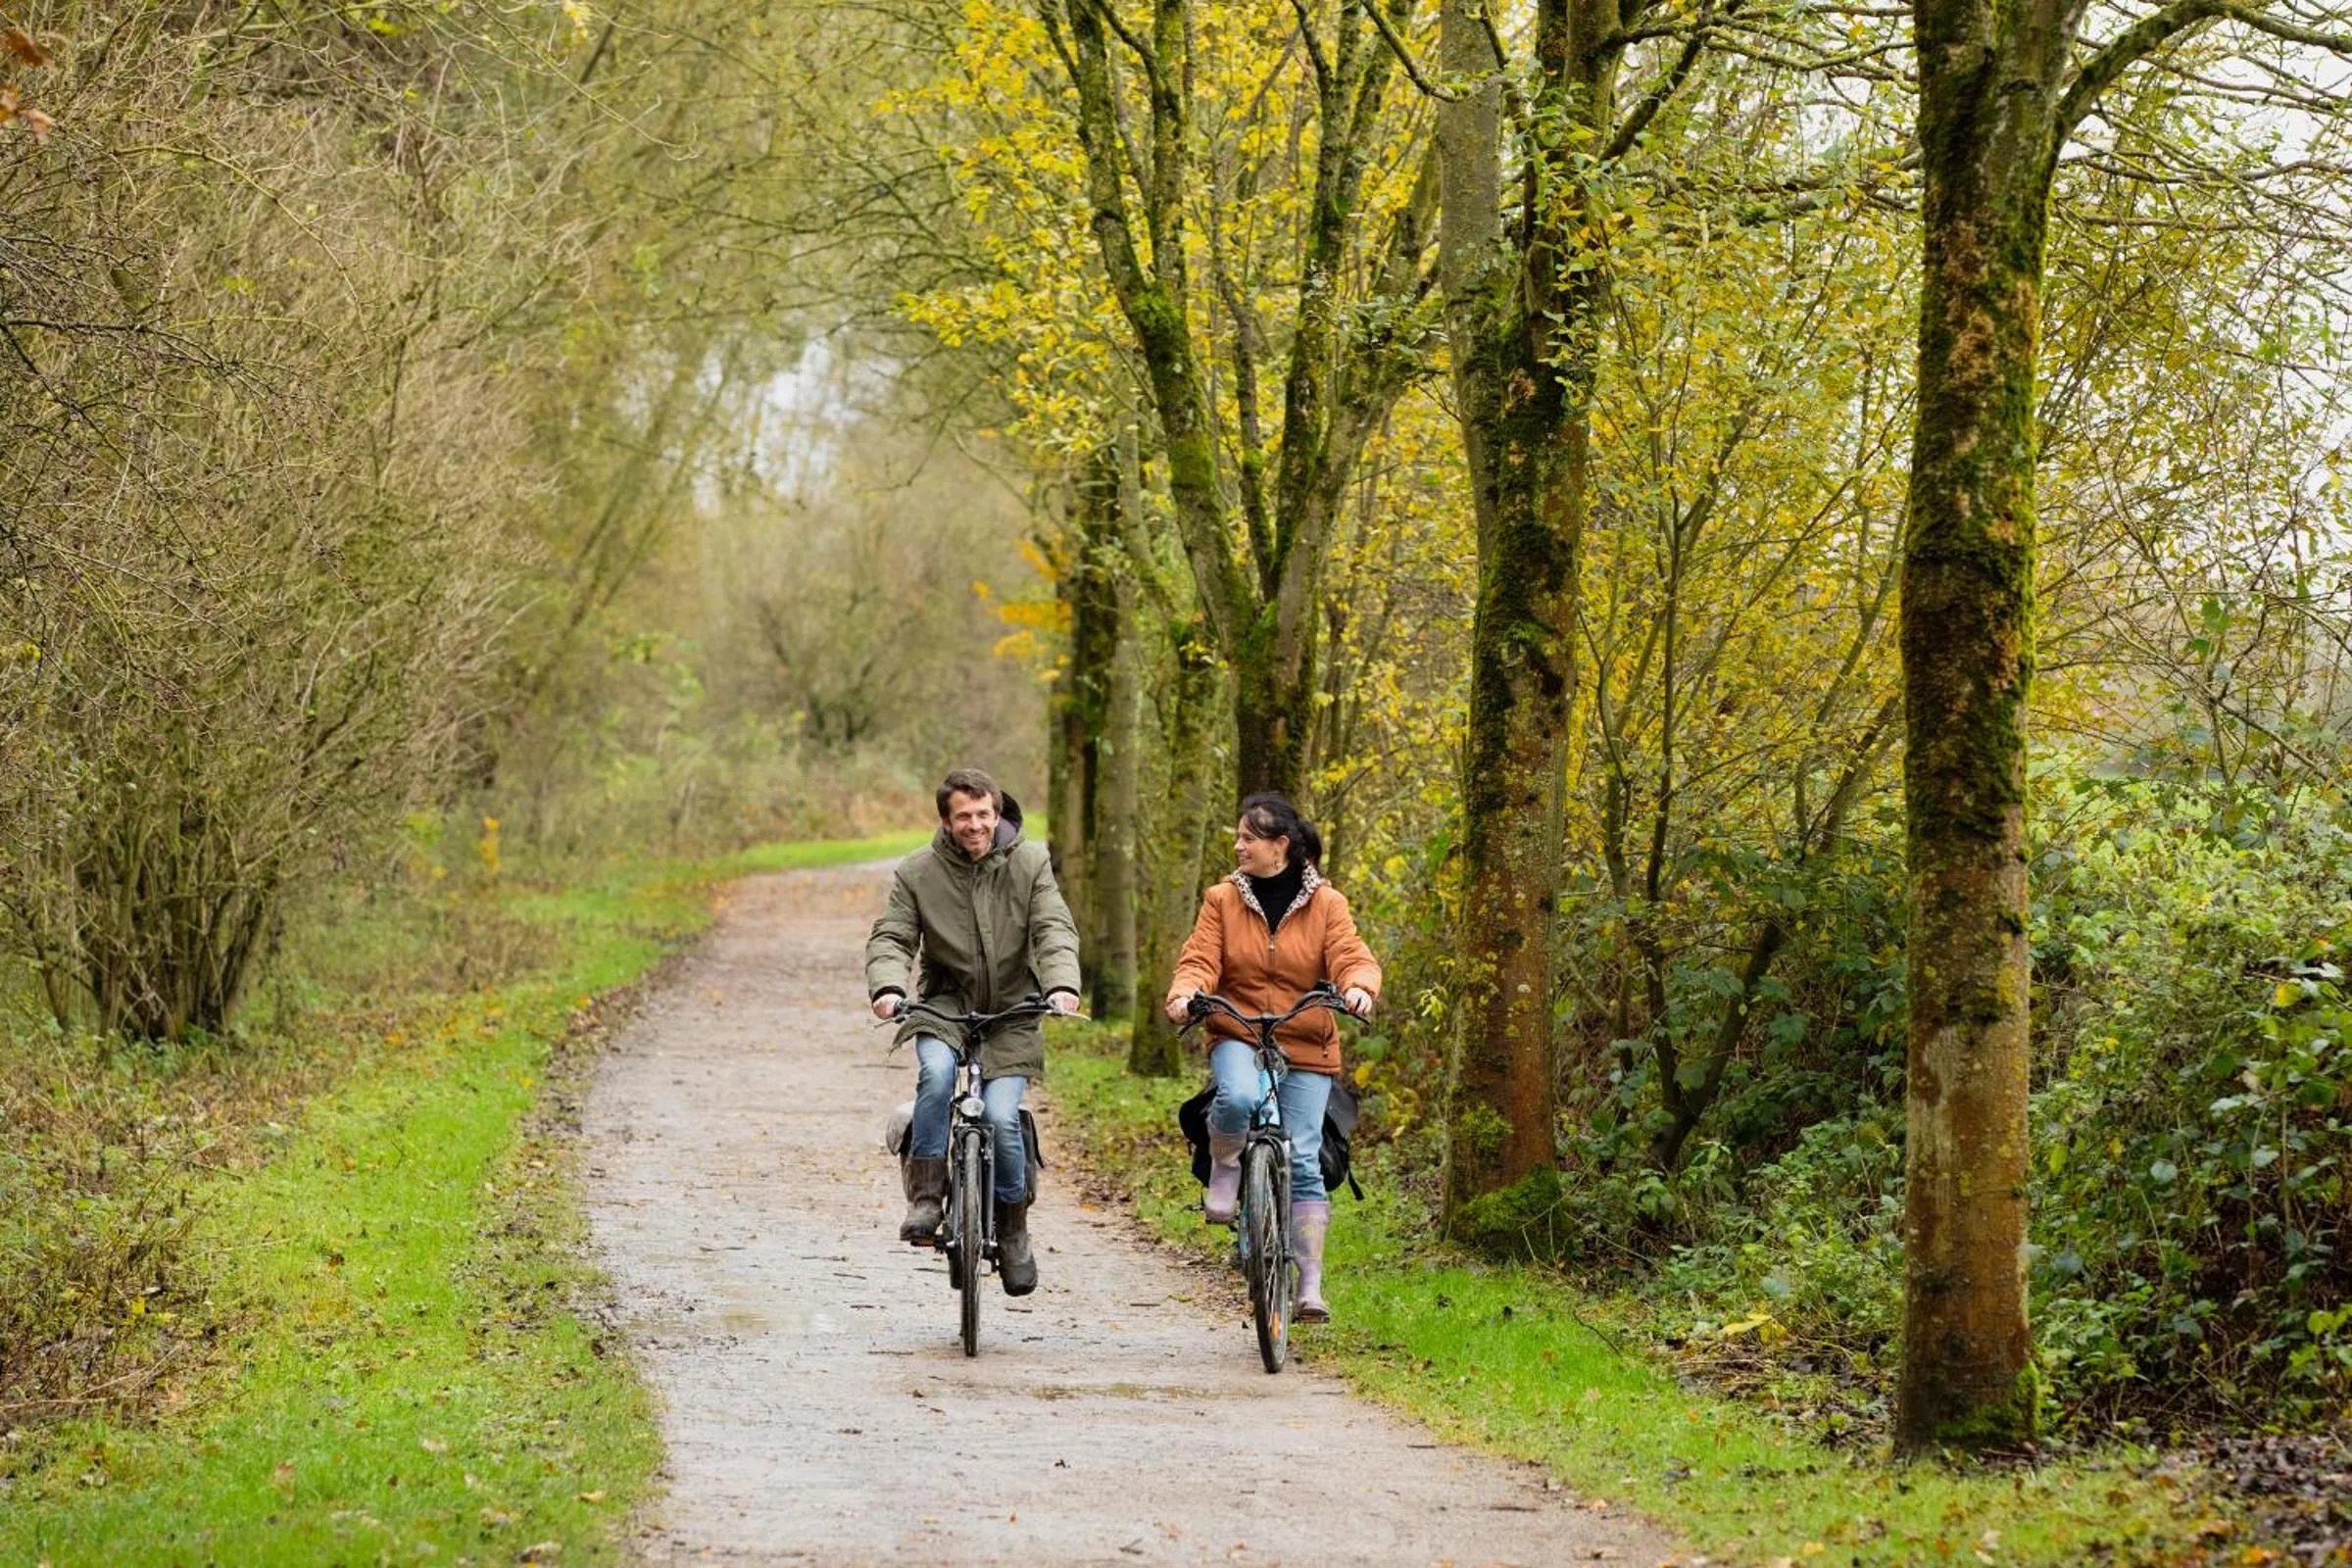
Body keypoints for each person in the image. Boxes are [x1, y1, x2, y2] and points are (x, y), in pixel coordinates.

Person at [1163, 793, 1379, 1323]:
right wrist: (1185, 992)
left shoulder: (1328, 904)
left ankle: (1309, 1285)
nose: (1238, 846)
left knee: (1304, 1157)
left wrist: (1358, 988)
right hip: (1237, 1027)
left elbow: (1352, 955)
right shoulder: (1222, 899)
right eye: (1237, 836)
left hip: (1305, 1036)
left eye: (1248, 838)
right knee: (1235, 1097)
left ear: (1281, 845)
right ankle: (1226, 1164)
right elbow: (1199, 958)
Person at [866, 767, 1081, 1297]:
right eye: (964, 816)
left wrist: (1060, 985)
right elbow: (893, 935)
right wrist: (888, 988)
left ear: (998, 813)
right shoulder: (918, 871)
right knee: (936, 1077)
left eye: (984, 814)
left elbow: (1053, 926)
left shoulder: (1031, 863)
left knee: (1005, 1117)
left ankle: (1013, 1229)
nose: (975, 824)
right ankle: (926, 1195)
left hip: (1014, 1009)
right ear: (946, 820)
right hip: (945, 1004)